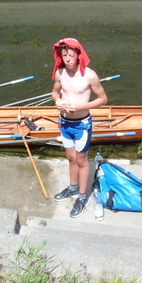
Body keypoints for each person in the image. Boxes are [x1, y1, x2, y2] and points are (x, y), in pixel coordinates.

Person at [50, 38, 107, 218]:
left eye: (71, 55)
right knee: (70, 157)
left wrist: (81, 107)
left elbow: (103, 98)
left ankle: (82, 196)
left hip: (82, 124)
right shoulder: (60, 73)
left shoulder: (89, 75)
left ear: (78, 55)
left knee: (82, 160)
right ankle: (73, 187)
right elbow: (54, 91)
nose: (67, 59)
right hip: (65, 122)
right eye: (64, 55)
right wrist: (58, 101)